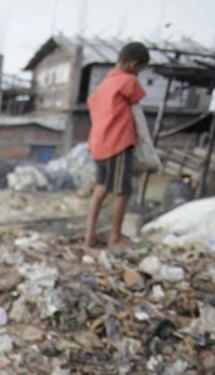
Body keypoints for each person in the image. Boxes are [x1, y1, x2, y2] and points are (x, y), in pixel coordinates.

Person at [85, 41, 151, 248]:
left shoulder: (104, 85)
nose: (139, 74)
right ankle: (115, 237)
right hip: (118, 142)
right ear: (133, 64)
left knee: (101, 187)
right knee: (122, 190)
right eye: (140, 69)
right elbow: (137, 100)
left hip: (98, 144)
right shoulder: (127, 81)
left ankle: (89, 235)